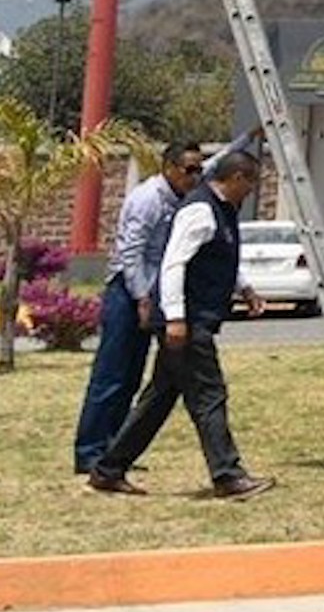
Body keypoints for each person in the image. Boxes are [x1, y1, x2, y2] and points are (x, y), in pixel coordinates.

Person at [88, 151, 275, 499]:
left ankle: (108, 469)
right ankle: (227, 475)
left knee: (158, 398)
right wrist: (175, 317)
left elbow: (219, 260)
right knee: (209, 394)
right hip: (186, 321)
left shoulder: (223, 211)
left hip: (194, 318)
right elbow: (174, 264)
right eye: (249, 184)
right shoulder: (200, 210)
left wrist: (244, 288)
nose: (250, 192)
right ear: (236, 178)